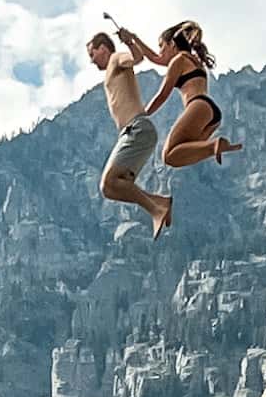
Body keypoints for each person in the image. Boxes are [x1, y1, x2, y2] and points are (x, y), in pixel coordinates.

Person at [120, 20, 242, 169]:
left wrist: (140, 117)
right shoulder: (193, 60)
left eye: (161, 46)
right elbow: (155, 58)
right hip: (211, 114)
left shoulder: (179, 60)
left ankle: (214, 145)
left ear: (172, 44)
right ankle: (214, 146)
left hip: (198, 106)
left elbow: (162, 95)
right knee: (177, 156)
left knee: (168, 154)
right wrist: (134, 38)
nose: (159, 52)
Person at [87, 29, 173, 240]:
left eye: (92, 54)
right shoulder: (111, 69)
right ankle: (159, 203)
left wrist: (130, 42)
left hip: (137, 129)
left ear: (104, 49)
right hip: (133, 133)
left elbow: (137, 58)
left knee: (108, 183)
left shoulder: (116, 59)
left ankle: (157, 209)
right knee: (113, 188)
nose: (91, 60)